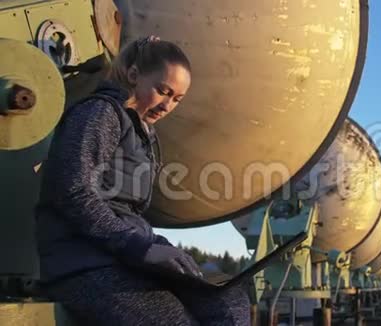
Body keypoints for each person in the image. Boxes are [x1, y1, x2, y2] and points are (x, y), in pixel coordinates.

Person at [35, 36, 250, 325]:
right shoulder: (100, 114)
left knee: (230, 301)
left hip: (125, 258)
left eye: (177, 99)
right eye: (163, 91)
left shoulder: (144, 134)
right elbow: (73, 191)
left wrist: (165, 253)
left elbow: (128, 214)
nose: (167, 105)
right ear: (134, 75)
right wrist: (138, 247)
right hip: (83, 264)